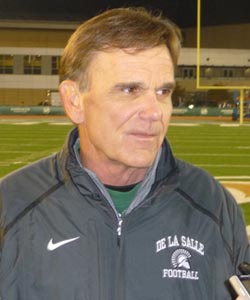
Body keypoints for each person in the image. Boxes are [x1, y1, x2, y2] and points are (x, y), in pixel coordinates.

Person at [0, 7, 249, 300]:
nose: (155, 112)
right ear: (74, 101)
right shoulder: (12, 207)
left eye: (163, 92)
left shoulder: (212, 204)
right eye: (130, 90)